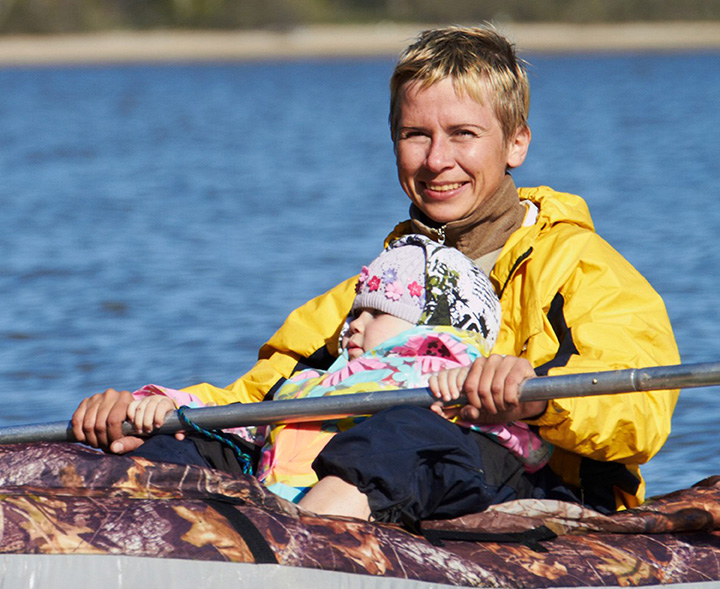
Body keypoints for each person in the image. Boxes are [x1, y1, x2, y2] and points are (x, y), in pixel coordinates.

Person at [72, 25, 680, 515]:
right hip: (369, 465)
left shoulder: (583, 265)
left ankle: (301, 552)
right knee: (190, 444)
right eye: (416, 135)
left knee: (399, 434)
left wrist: (534, 398)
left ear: (515, 143)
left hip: (536, 478)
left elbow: (641, 412)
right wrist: (156, 410)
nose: (438, 160)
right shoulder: (373, 289)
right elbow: (261, 399)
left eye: (463, 134)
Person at [125, 235, 552, 512]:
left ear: (431, 326)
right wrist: (169, 407)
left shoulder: (452, 370)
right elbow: (244, 415)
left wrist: (485, 398)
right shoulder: (317, 380)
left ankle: (309, 537)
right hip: (280, 492)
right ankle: (132, 506)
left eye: (379, 312)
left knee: (400, 432)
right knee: (185, 439)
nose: (354, 325)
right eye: (356, 312)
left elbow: (528, 450)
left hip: (375, 490)